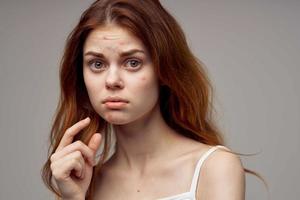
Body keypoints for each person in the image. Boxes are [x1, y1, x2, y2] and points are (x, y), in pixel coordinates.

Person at [41, 0, 265, 199]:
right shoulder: (83, 183)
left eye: (132, 62)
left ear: (164, 71)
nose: (112, 81)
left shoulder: (213, 168)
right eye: (97, 64)